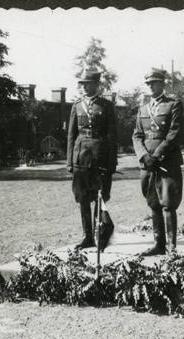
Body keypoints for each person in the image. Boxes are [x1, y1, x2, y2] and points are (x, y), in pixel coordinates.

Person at [132, 68, 183, 256]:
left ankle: (172, 248)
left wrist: (157, 155)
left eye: (154, 82)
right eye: (148, 83)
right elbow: (137, 135)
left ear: (163, 84)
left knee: (168, 204)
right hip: (147, 164)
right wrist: (144, 156)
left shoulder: (173, 104)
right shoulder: (143, 108)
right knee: (153, 203)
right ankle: (158, 244)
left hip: (166, 162)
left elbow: (173, 134)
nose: (150, 86)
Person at [66, 70, 118, 249]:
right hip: (80, 157)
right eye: (83, 84)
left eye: (88, 83)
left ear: (96, 84)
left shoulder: (106, 105)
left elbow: (112, 135)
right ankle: (87, 236)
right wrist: (69, 162)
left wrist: (112, 162)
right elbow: (71, 135)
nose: (84, 87)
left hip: (100, 157)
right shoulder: (77, 105)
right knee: (82, 198)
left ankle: (100, 234)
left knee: (99, 196)